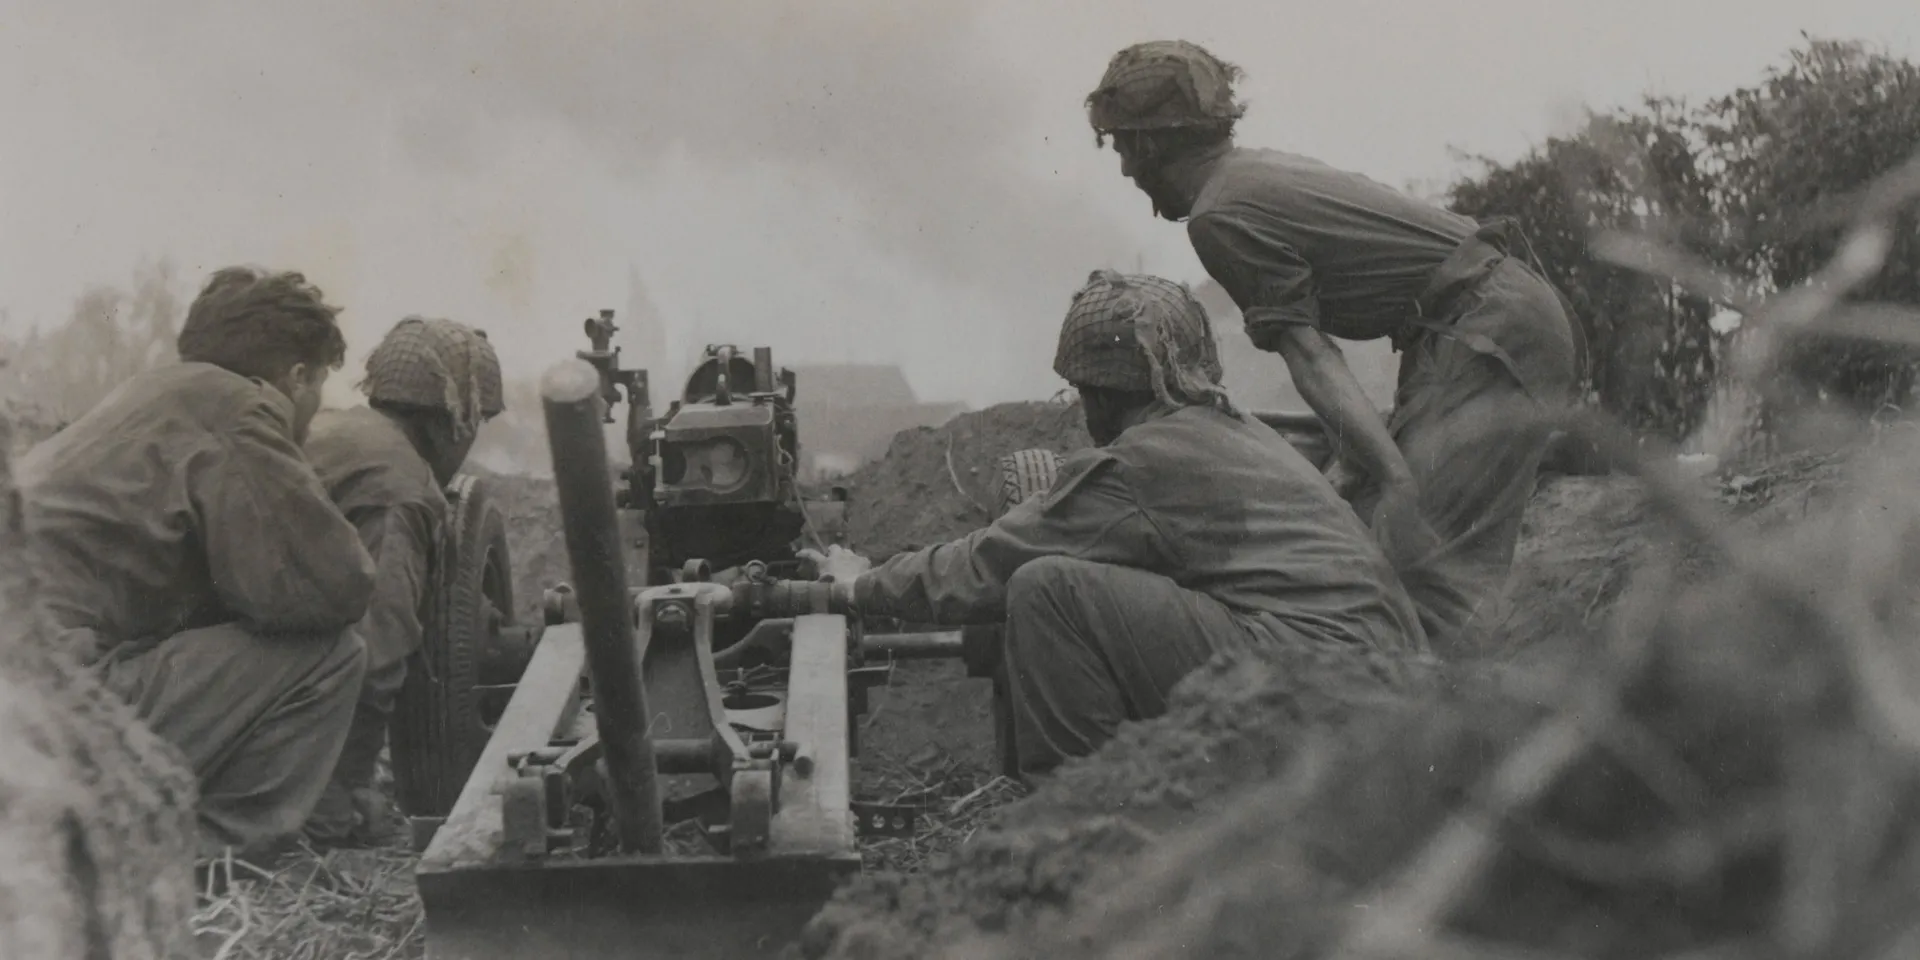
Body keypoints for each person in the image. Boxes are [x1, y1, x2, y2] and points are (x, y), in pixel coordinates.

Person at [806, 270, 1425, 776]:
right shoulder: (1236, 431)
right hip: (1382, 673)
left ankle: (1084, 816)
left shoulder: (1144, 461)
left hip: (1320, 678)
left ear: (1098, 393)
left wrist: (854, 583)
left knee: (1046, 588)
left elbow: (987, 565)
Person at [1084, 41, 1584, 652]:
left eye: (1121, 147)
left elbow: (1312, 355)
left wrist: (1397, 478)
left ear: (1148, 144)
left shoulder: (1218, 216)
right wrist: (1359, 466)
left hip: (1487, 328)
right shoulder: (1252, 174)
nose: (1125, 170)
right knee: (1397, 542)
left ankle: (1457, 734)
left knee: (1419, 567)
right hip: (1484, 320)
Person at [17, 266, 377, 862]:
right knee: (333, 652)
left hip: (30, 700)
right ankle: (206, 856)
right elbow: (332, 587)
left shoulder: (141, 397)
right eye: (317, 387)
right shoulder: (238, 407)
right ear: (296, 377)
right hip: (51, 718)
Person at [300, 316, 505, 847]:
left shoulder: (329, 427)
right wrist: (343, 797)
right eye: (475, 421)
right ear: (448, 424)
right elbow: (379, 649)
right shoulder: (401, 485)